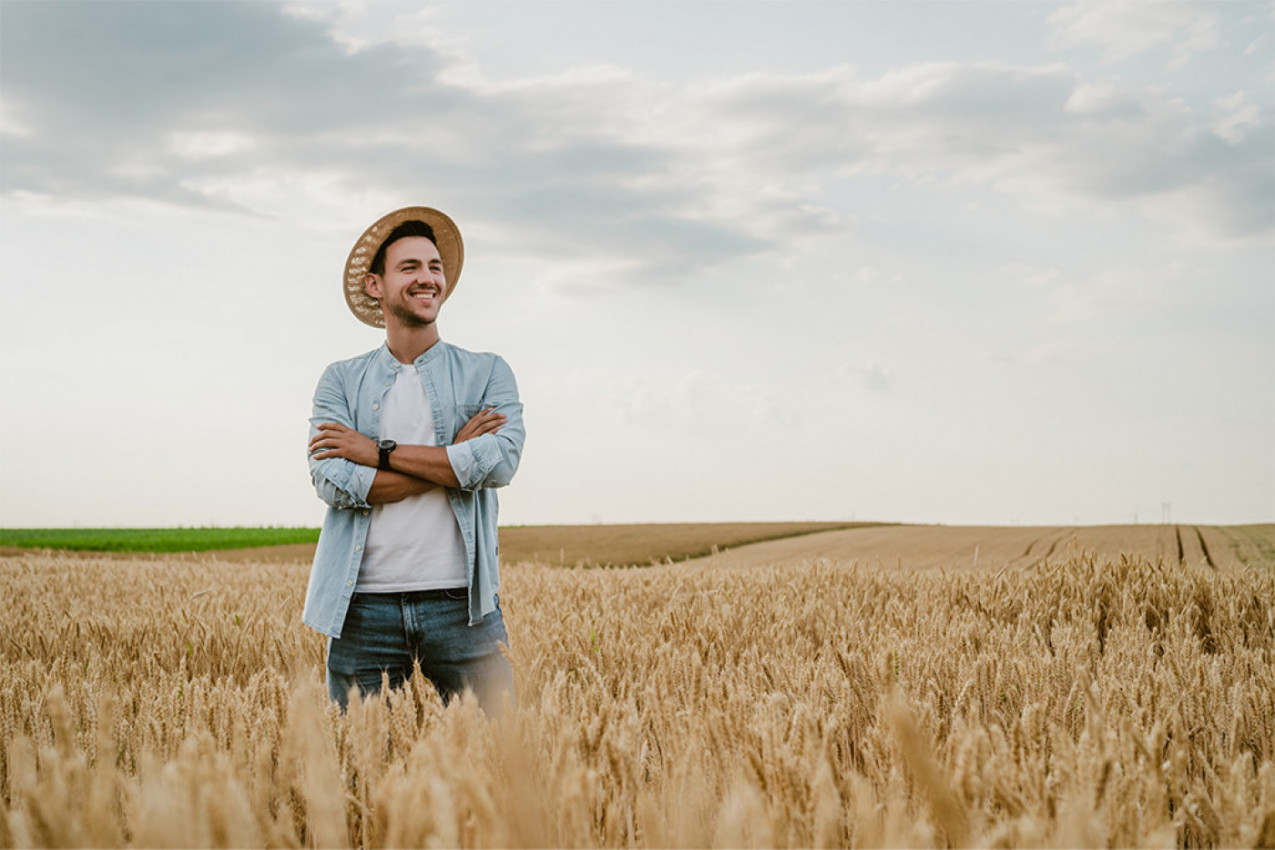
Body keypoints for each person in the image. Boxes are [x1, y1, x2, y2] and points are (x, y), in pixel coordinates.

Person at [302, 206, 524, 713]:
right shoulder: (339, 380)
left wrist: (375, 452)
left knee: (499, 766)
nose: (428, 278)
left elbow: (501, 464)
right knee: (364, 770)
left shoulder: (488, 372)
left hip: (464, 606)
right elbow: (332, 481)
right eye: (410, 268)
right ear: (375, 285)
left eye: (434, 267)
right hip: (361, 607)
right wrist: (453, 462)